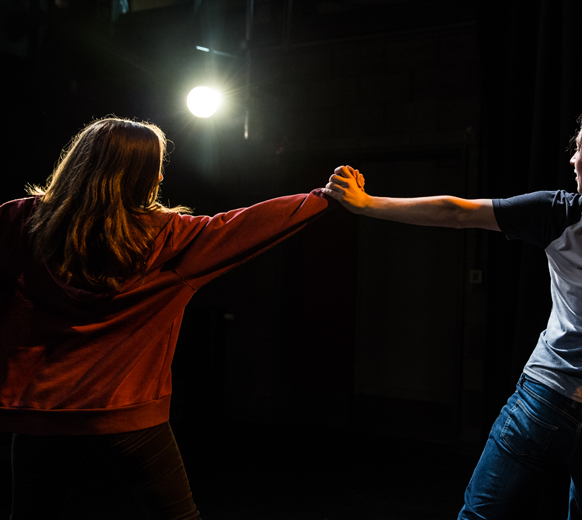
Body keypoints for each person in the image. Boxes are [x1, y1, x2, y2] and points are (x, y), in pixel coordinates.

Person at [322, 96, 582, 520]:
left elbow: (456, 213)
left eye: (579, 148)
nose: (573, 159)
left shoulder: (557, 213)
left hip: (542, 404)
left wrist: (366, 203)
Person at [0, 117, 334, 519]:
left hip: (41, 415)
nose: (160, 175)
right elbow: (248, 226)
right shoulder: (171, 238)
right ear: (139, 175)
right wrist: (324, 197)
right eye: (155, 166)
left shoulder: (18, 221)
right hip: (129, 415)